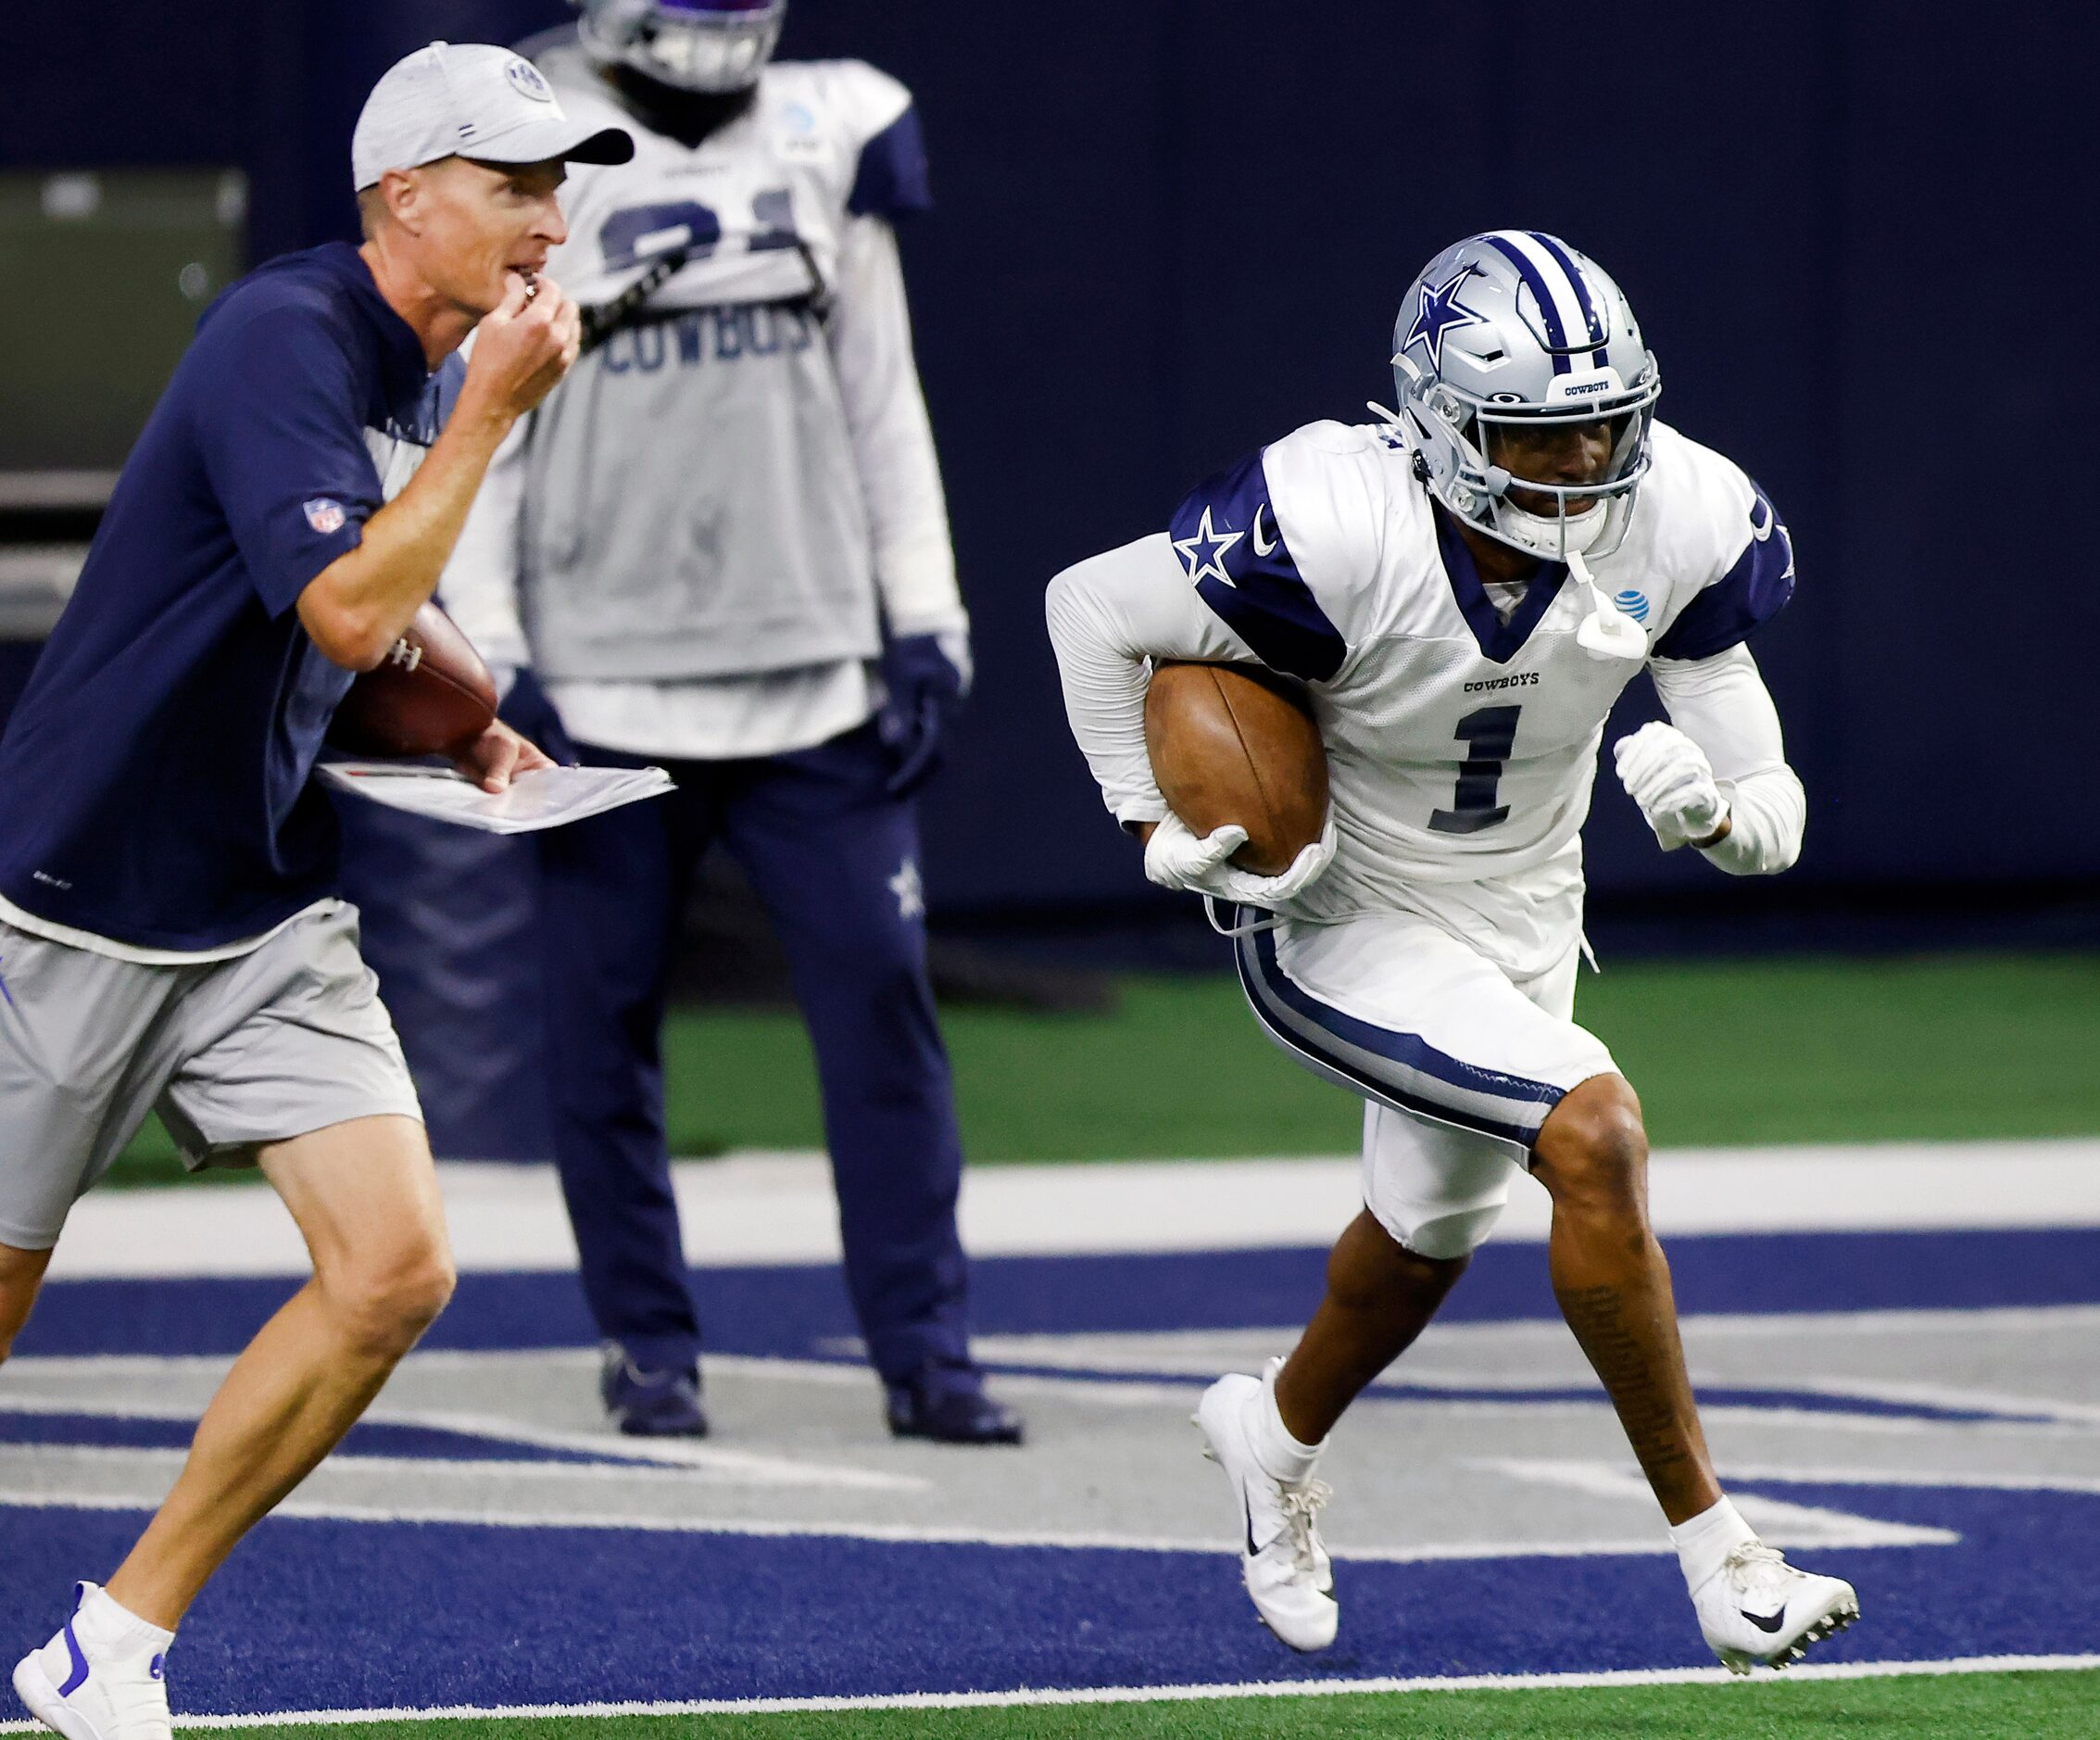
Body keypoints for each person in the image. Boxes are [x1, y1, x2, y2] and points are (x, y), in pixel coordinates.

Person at [1045, 231, 1857, 1671]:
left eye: (1606, 422)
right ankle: (1724, 1557)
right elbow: (1091, 608)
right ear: (1436, 416)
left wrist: (1721, 816)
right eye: (1540, 436)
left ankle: (1271, 1440)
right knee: (1591, 1133)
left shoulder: (1682, 509)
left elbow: (1777, 818)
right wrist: (1139, 817)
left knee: (1424, 1242)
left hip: (1531, 906)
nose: (1586, 459)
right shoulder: (1328, 510)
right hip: (1343, 906)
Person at [0, 43, 628, 1737]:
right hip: (80, 891)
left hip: (260, 907)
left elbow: (350, 638)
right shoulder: (290, 336)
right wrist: (494, 414)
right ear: (401, 197)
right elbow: (351, 603)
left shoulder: (423, 363)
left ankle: (112, 1642)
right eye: (515, 186)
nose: (550, 222)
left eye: (560, 187)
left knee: (395, 1268)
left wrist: (472, 729)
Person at [435, 0, 1020, 1445]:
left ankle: (926, 1340)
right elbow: (481, 415)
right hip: (604, 676)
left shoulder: (833, 125)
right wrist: (496, 650)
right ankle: (646, 1337)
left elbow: (882, 392)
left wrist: (925, 616)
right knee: (602, 1028)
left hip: (813, 672)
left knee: (883, 1008)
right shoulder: (532, 131)